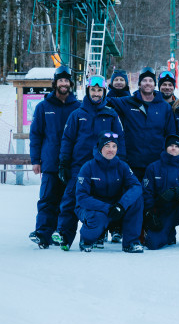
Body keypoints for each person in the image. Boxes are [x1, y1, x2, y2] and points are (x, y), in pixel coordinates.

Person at [54, 75, 127, 250]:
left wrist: (121, 163)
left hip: (103, 167)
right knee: (71, 198)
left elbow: (120, 140)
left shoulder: (111, 115)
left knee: (102, 199)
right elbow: (67, 139)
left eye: (99, 90)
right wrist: (64, 162)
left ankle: (99, 233)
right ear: (88, 91)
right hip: (79, 165)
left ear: (104, 92)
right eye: (93, 90)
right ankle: (64, 235)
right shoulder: (77, 114)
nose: (96, 93)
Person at [28, 66, 80, 248]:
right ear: (55, 83)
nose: (64, 84)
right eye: (61, 81)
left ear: (70, 84)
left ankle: (62, 233)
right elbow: (36, 134)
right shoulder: (44, 107)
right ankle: (43, 234)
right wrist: (35, 160)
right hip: (50, 161)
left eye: (66, 81)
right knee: (48, 199)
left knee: (67, 201)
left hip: (72, 163)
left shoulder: (78, 107)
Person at [75, 132, 144, 253]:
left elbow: (136, 186)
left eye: (114, 146)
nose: (111, 150)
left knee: (137, 199)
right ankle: (86, 239)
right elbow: (82, 197)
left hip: (116, 206)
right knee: (98, 218)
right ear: (100, 148)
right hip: (93, 207)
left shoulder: (122, 166)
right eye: (107, 146)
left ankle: (131, 242)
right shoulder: (88, 167)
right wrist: (108, 208)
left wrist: (121, 205)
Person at [107, 67, 176, 181]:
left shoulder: (165, 107)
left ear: (155, 85)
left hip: (156, 164)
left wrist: (167, 159)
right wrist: (116, 86)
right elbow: (104, 99)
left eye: (150, 81)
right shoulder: (128, 102)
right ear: (139, 84)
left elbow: (171, 135)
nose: (147, 83)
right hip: (132, 163)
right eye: (144, 80)